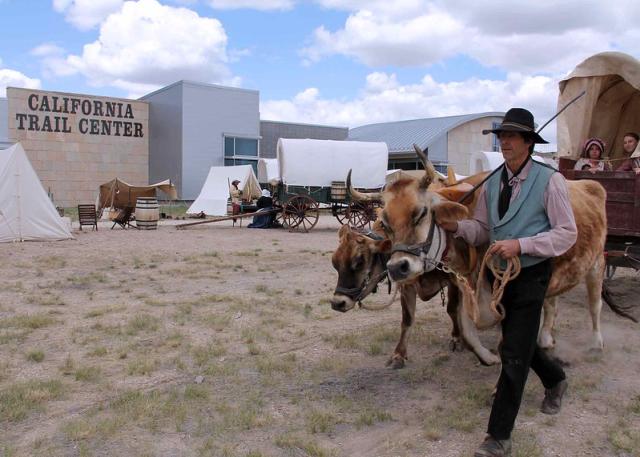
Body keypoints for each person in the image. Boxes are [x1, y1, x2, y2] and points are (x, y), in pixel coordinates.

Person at [438, 108, 578, 457]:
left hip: (531, 274)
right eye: (501, 137)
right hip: (497, 275)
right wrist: (456, 227)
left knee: (512, 351)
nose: (504, 143)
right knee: (521, 341)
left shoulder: (551, 181)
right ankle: (556, 379)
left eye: (512, 137)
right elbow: (483, 230)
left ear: (529, 143)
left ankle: (498, 436)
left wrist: (522, 245)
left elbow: (566, 234)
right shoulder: (493, 182)